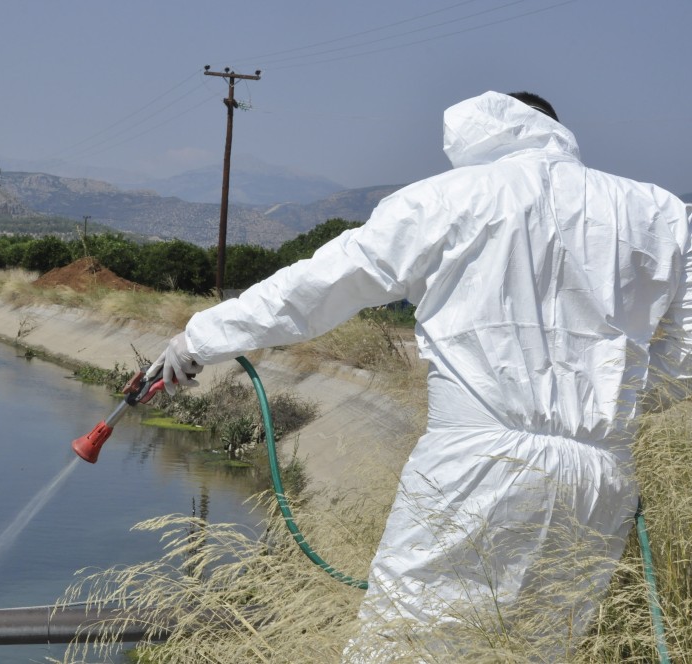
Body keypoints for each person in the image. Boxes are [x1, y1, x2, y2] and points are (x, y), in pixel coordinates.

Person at [148, 90, 692, 659]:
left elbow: (322, 285)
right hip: (600, 477)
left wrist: (202, 338)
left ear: (481, 134)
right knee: (535, 649)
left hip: (474, 464)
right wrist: (605, 414)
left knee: (405, 643)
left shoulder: (452, 196)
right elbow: (680, 363)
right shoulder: (660, 213)